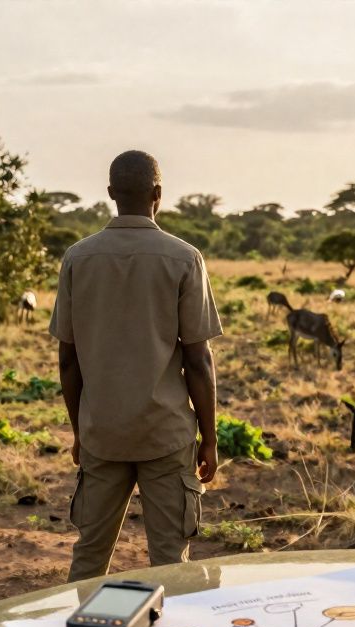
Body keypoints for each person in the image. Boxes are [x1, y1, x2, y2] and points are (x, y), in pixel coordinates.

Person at [50, 150, 222, 583]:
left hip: (101, 434)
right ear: (158, 194)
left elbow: (68, 360)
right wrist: (210, 439)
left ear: (110, 193)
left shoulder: (78, 258)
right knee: (170, 563)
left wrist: (79, 430)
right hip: (165, 435)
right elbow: (198, 361)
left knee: (90, 557)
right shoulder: (184, 258)